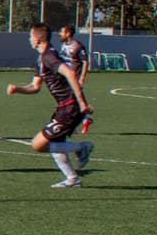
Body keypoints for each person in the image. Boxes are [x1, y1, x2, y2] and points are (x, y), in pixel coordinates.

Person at [7, 23, 95, 188]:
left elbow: (69, 73)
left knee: (38, 144)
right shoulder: (42, 58)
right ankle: (72, 179)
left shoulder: (49, 56)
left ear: (38, 38)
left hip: (70, 107)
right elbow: (35, 87)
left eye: (30, 36)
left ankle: (81, 148)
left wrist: (82, 102)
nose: (29, 40)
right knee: (55, 143)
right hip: (64, 107)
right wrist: (17, 89)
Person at [56, 25, 93, 131]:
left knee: (69, 102)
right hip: (64, 78)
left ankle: (72, 124)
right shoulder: (63, 44)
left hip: (74, 78)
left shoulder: (78, 46)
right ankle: (85, 120)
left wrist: (82, 79)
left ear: (68, 34)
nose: (60, 34)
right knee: (70, 101)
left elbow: (85, 62)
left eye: (62, 32)